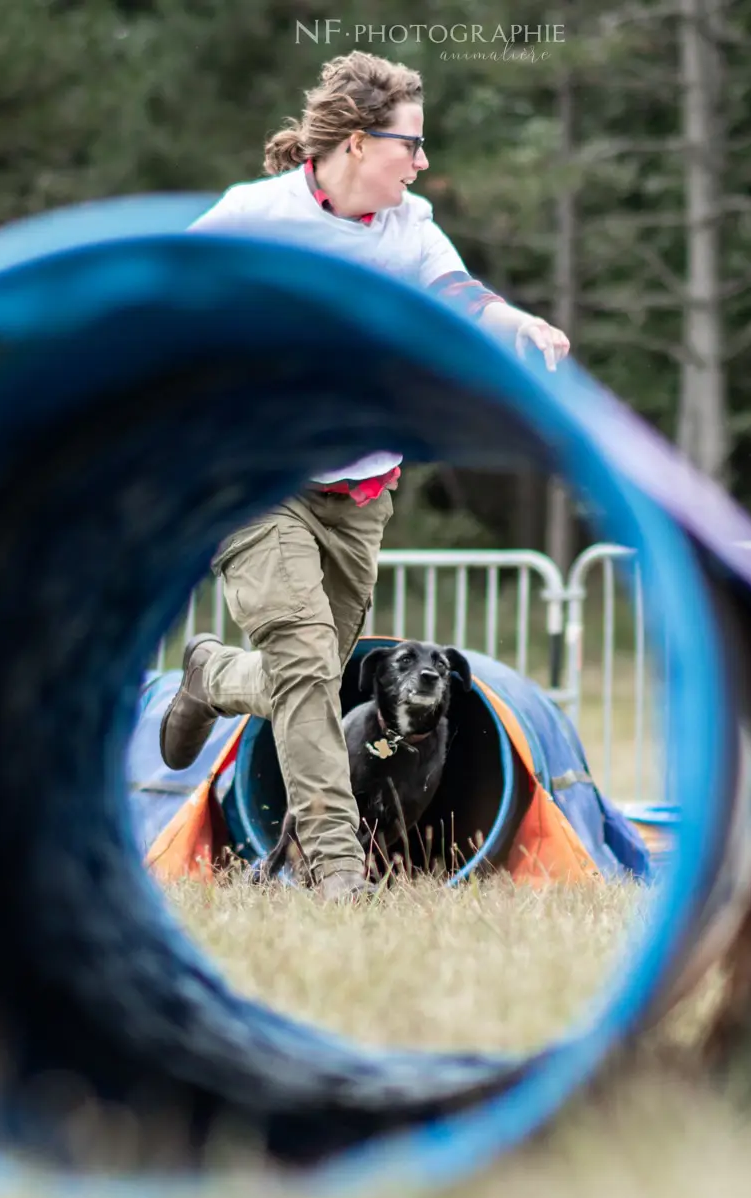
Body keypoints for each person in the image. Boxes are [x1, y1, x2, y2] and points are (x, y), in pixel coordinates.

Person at [157, 51, 572, 902]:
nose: (422, 162)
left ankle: (210, 676)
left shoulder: (408, 225)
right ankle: (339, 868)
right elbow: (166, 289)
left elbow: (457, 290)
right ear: (354, 142)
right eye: (409, 144)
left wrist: (514, 319)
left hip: (360, 495)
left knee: (307, 678)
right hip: (256, 480)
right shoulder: (254, 214)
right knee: (307, 672)